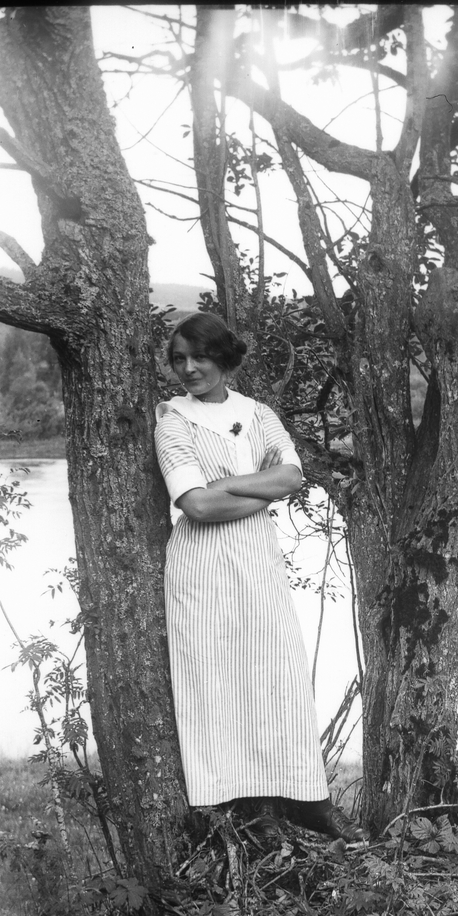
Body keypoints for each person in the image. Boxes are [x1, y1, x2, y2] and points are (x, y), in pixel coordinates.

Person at [153, 311, 366, 843]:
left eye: (200, 356)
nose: (189, 369)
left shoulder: (258, 414)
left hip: (257, 559)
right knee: (219, 679)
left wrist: (228, 484)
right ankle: (252, 805)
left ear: (223, 358)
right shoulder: (173, 420)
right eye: (179, 359)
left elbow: (292, 476)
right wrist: (257, 490)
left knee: (277, 674)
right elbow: (197, 506)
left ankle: (308, 798)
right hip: (201, 566)